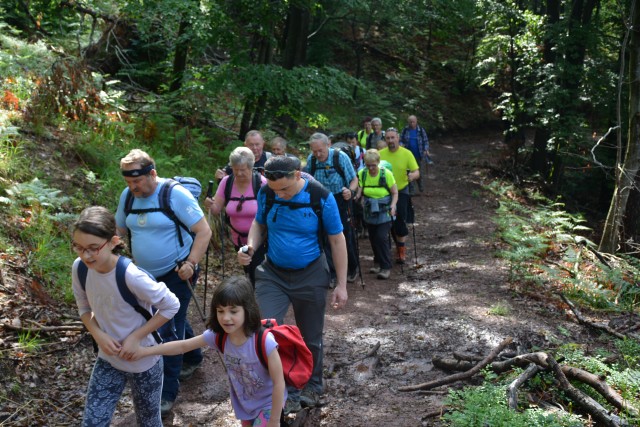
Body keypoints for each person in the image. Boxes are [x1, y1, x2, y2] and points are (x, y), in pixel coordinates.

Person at [237, 155, 348, 414]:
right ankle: (283, 388)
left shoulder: (320, 197)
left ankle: (312, 384)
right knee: (265, 331)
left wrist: (341, 285)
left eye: (285, 189)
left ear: (298, 175)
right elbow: (258, 223)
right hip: (272, 273)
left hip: (310, 274)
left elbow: (337, 240)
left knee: (311, 336)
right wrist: (250, 246)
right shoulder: (268, 192)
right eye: (277, 191)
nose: (281, 195)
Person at [115, 149, 212, 416]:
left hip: (177, 270)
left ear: (152, 174)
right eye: (128, 182)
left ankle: (165, 393)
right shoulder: (128, 198)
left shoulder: (175, 194)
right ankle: (192, 355)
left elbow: (204, 231)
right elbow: (118, 231)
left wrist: (191, 263)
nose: (133, 186)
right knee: (170, 319)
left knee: (168, 329)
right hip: (143, 275)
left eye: (137, 181)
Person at [71, 206, 180, 426]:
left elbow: (171, 305)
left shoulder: (131, 276)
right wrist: (98, 334)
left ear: (112, 241)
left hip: (144, 359)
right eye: (79, 248)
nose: (86, 255)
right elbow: (83, 307)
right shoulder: (80, 269)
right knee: (93, 422)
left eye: (93, 248)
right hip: (108, 359)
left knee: (148, 421)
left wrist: (136, 337)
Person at [129, 275, 285, 427]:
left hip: (268, 406)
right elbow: (183, 346)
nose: (226, 318)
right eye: (220, 311)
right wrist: (145, 351)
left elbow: (279, 383)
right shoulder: (219, 337)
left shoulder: (264, 341)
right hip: (245, 407)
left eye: (233, 311)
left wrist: (275, 420)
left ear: (247, 309)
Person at [205, 147, 267, 285]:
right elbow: (216, 209)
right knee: (248, 272)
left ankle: (258, 302)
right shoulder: (226, 182)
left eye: (242, 169)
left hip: (261, 239)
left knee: (258, 274)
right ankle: (252, 301)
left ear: (251, 167)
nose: (238, 173)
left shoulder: (262, 183)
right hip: (237, 239)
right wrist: (209, 204)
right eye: (235, 169)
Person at [305, 132, 360, 284]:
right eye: (314, 151)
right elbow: (307, 181)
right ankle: (332, 273)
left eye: (320, 150)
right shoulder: (312, 160)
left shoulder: (340, 157)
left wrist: (351, 191)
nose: (317, 154)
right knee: (324, 236)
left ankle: (352, 268)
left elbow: (354, 179)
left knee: (344, 234)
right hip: (321, 201)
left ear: (328, 145)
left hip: (340, 199)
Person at [355, 150, 398, 279]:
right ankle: (378, 263)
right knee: (373, 238)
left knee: (381, 237)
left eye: (373, 165)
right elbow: (360, 191)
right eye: (368, 165)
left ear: (378, 163)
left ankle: (386, 267)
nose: (371, 168)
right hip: (369, 210)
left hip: (385, 210)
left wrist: (393, 205)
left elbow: (395, 192)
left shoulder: (386, 174)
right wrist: (355, 197)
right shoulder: (362, 174)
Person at [379, 128, 420, 264]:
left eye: (393, 138)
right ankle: (391, 248)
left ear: (398, 138)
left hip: (402, 190)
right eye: (388, 138)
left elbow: (416, 172)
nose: (391, 141)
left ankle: (401, 251)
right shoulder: (380, 154)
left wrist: (412, 176)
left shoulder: (407, 154)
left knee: (400, 220)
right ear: (385, 140)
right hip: (384, 192)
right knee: (386, 222)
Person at [400, 115, 431, 192]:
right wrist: (401, 144)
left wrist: (426, 149)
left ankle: (421, 187)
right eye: (410, 122)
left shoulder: (420, 130)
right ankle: (412, 190)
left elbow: (425, 140)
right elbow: (400, 139)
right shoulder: (405, 130)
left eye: (413, 122)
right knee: (409, 172)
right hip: (408, 156)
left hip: (419, 155)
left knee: (419, 171)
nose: (412, 123)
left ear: (416, 121)